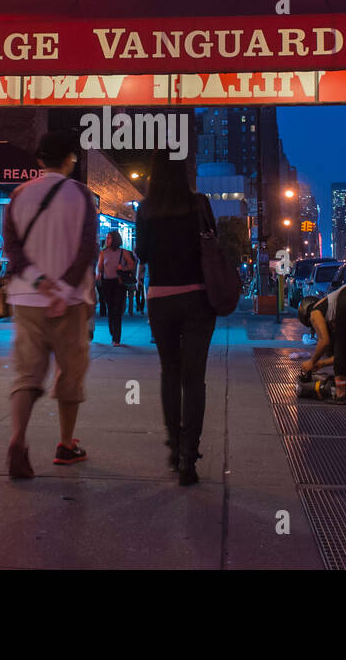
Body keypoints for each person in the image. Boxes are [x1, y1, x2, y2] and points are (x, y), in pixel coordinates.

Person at [1, 131, 98, 479]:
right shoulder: (81, 196)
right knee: (70, 373)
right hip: (70, 303)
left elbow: (11, 249)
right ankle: (66, 444)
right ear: (70, 160)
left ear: (40, 161)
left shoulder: (19, 194)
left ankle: (17, 439)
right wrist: (63, 288)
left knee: (27, 373)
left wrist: (41, 284)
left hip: (27, 298)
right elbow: (89, 247)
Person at [135, 150, 217, 486]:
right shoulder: (199, 203)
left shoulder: (146, 209)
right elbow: (214, 242)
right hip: (198, 297)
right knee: (194, 379)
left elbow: (141, 253)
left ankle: (173, 444)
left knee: (170, 372)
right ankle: (188, 456)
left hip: (161, 299)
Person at [95, 230, 137, 345]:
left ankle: (116, 338)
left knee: (117, 310)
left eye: (109, 238)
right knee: (110, 309)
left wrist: (123, 268)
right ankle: (113, 333)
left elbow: (132, 265)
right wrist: (98, 274)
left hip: (119, 283)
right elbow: (99, 266)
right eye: (107, 238)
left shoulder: (123, 252)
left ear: (115, 239)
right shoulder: (103, 252)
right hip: (106, 283)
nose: (106, 240)